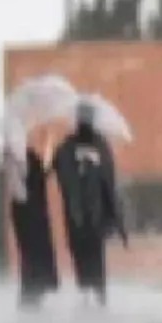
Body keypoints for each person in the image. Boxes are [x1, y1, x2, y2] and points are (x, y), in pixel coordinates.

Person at [52, 103, 127, 305]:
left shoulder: (101, 146)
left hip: (96, 217)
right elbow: (60, 171)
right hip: (77, 217)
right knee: (82, 264)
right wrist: (78, 167)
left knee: (96, 264)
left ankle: (99, 300)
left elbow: (109, 183)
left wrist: (115, 219)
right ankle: (86, 301)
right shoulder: (67, 147)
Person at [4, 142, 59, 306]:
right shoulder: (14, 156)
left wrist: (50, 162)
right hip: (28, 211)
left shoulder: (27, 154)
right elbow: (17, 187)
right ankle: (31, 293)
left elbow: (40, 176)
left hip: (34, 209)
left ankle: (36, 291)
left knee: (37, 252)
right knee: (31, 252)